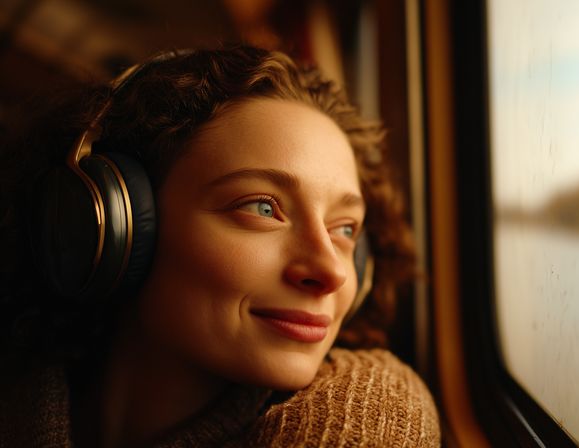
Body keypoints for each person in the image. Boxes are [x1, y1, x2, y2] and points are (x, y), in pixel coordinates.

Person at [0, 45, 439, 447]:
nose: (333, 271)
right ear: (114, 226)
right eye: (263, 209)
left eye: (344, 230)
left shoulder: (364, 410)